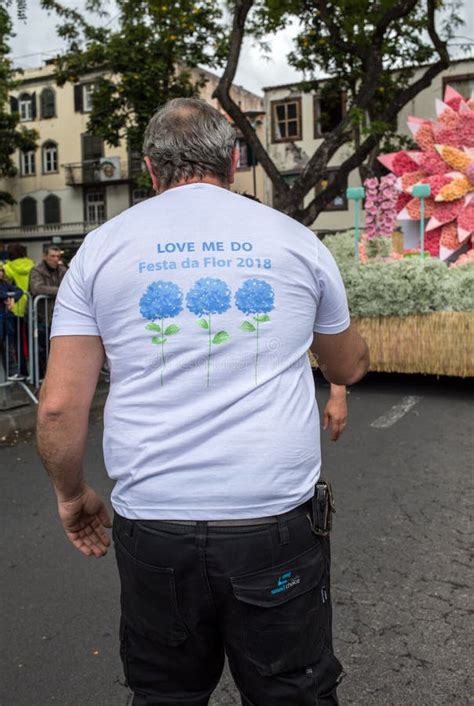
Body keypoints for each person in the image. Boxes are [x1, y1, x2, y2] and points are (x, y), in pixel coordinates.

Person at [37, 98, 369, 706]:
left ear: (150, 169)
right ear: (234, 159)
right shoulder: (296, 240)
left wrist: (72, 493)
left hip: (154, 524)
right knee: (291, 693)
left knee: (166, 694)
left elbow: (59, 406)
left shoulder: (102, 248)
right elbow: (347, 365)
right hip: (273, 522)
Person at [29, 244, 67, 378]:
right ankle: (41, 379)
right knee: (42, 350)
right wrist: (60, 291)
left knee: (59, 350)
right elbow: (37, 288)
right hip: (41, 317)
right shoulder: (36, 270)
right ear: (45, 256)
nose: (56, 259)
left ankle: (58, 377)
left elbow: (71, 285)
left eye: (58, 256)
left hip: (59, 316)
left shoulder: (62, 270)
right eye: (52, 256)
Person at [3, 243, 35, 377]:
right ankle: (36, 372)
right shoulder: (31, 264)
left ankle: (22, 371)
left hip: (14, 307)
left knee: (16, 342)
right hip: (31, 305)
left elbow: (6, 282)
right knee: (32, 340)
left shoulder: (8, 267)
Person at [0, 263, 24, 378]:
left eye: (1, 270)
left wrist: (12, 298)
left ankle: (12, 372)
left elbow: (19, 291)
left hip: (6, 323)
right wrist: (6, 296)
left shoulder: (5, 284)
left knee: (8, 348)